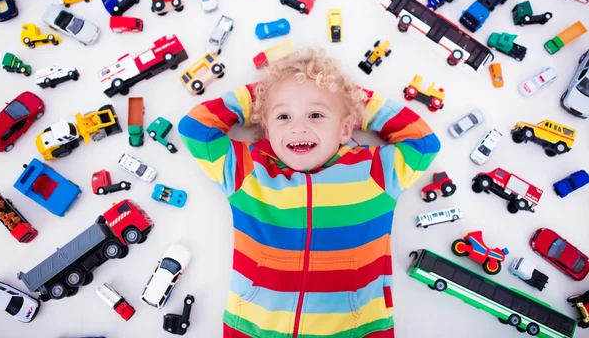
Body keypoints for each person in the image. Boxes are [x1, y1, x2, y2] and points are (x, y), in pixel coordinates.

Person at [178, 49, 440, 338]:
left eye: (316, 114)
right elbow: (195, 128)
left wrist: (353, 98)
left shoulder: (375, 172)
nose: (298, 126)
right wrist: (261, 95)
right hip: (255, 328)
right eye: (283, 116)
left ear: (344, 129)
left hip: (356, 329)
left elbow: (424, 143)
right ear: (266, 128)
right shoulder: (248, 171)